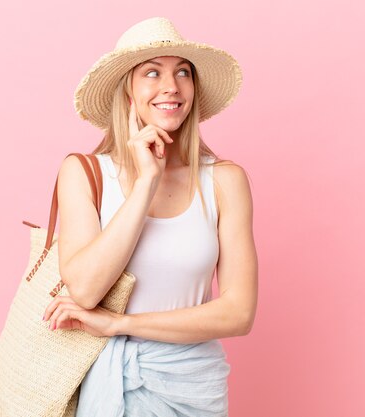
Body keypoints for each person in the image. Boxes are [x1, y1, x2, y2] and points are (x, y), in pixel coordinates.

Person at [42, 17, 258, 416]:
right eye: (152, 73)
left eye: (182, 73)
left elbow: (239, 312)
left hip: (194, 388)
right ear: (127, 92)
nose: (171, 86)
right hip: (106, 386)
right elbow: (86, 289)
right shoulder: (86, 173)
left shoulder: (225, 180)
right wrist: (146, 183)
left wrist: (119, 324)